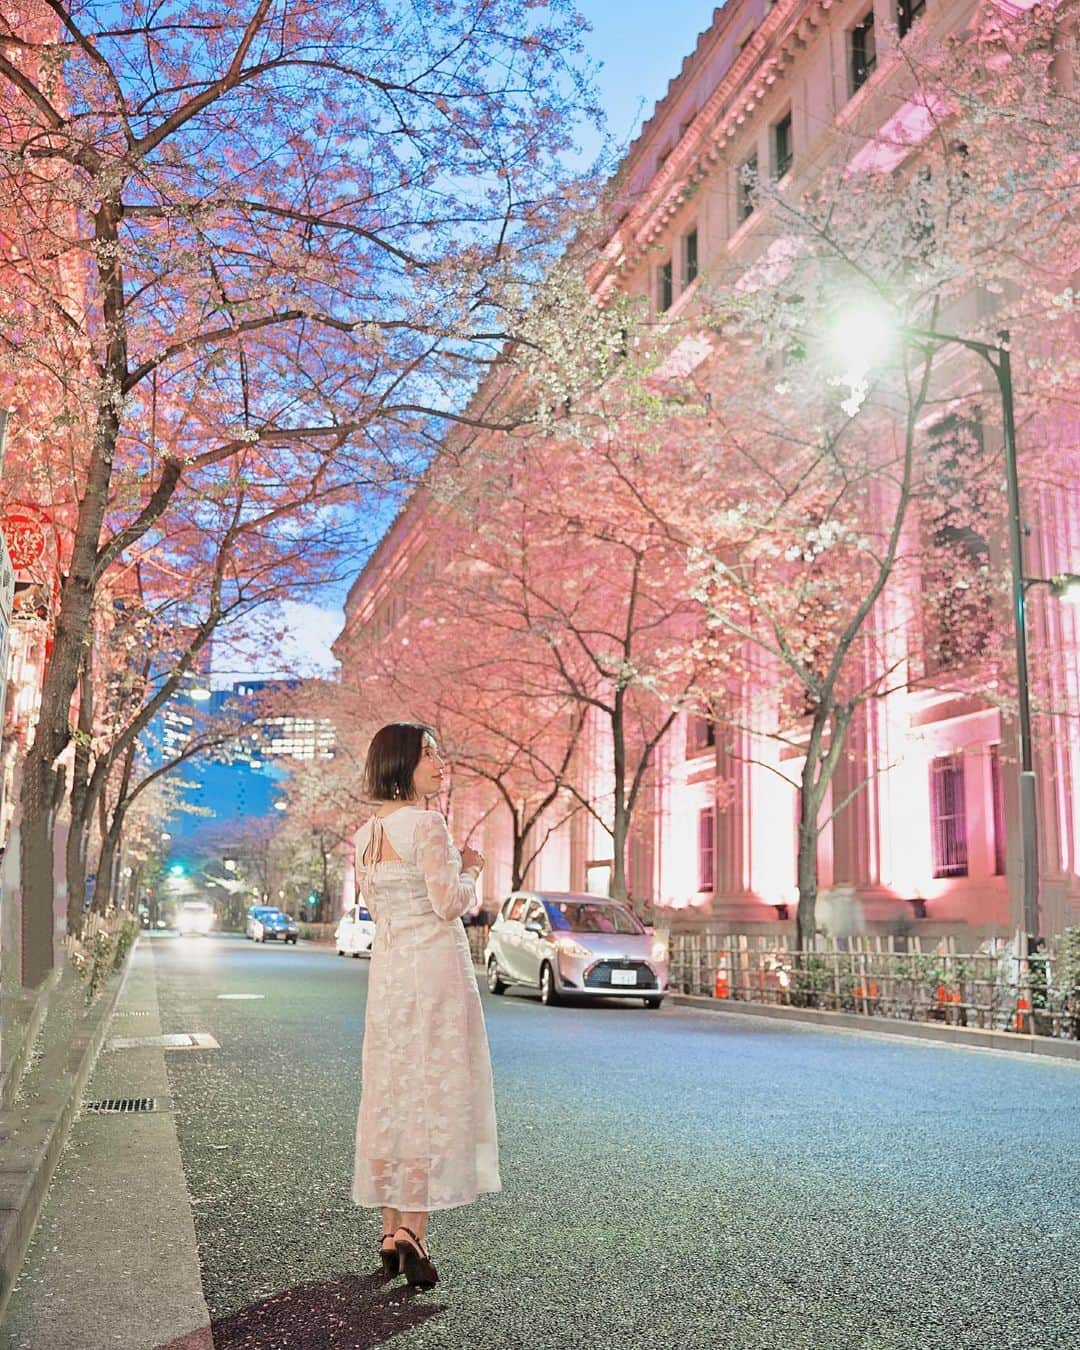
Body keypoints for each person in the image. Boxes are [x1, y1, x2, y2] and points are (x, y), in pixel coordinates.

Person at [351, 722, 500, 1289]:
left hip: (390, 973)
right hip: (435, 970)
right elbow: (448, 904)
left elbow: (376, 906)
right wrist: (470, 867)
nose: (440, 764)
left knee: (393, 1088)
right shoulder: (429, 824)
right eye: (429, 755)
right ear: (402, 763)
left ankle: (390, 1230)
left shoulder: (367, 832)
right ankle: (413, 1230)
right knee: (432, 1087)